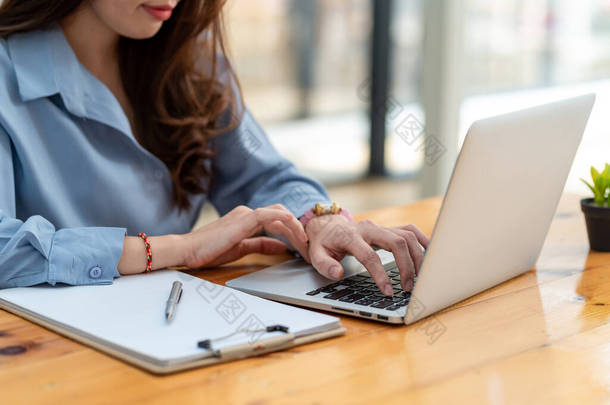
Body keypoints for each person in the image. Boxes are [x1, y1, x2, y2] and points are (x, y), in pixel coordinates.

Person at [0, 0, 428, 296]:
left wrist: (319, 221)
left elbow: (264, 176)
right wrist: (179, 249)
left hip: (172, 337)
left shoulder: (192, 66)